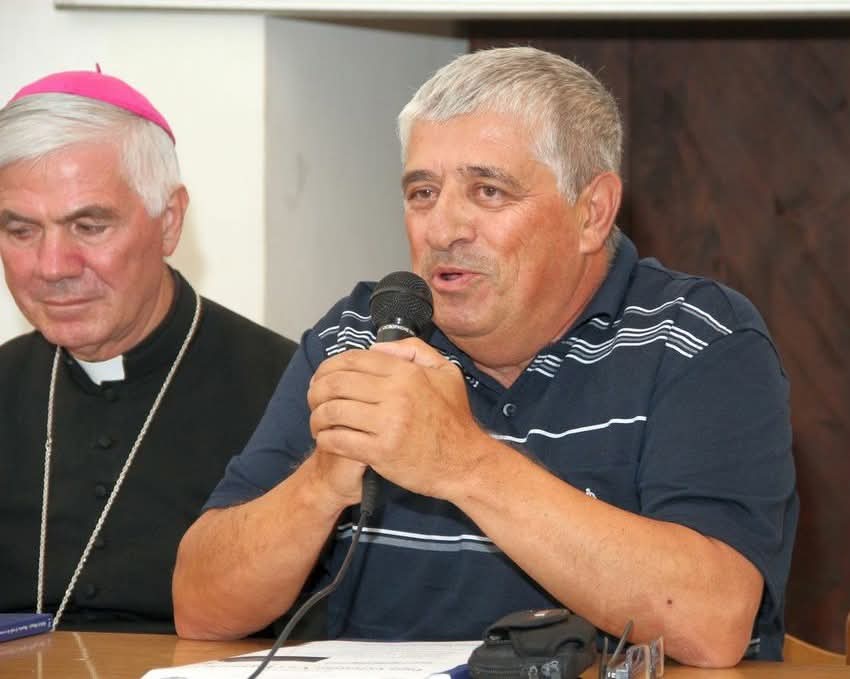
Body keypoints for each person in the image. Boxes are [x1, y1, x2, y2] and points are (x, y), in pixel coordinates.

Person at [172, 47, 798, 666]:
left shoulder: (697, 337)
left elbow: (712, 622)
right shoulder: (361, 334)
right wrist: (318, 486)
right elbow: (200, 608)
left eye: (489, 191)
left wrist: (463, 462)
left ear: (592, 212)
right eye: (423, 192)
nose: (442, 229)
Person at [0, 68, 297, 633]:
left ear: (169, 222)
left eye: (88, 226)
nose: (52, 267)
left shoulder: (284, 391)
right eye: (21, 231)